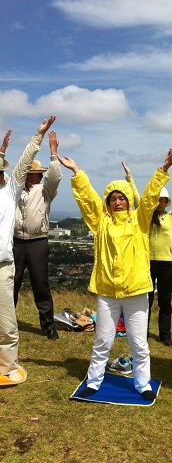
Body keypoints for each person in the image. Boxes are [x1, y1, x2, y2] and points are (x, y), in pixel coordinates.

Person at [57, 149, 172, 400]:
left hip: (136, 291)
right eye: (113, 198)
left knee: (139, 343)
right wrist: (77, 173)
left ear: (129, 200)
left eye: (122, 197)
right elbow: (88, 200)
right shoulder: (101, 222)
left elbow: (150, 198)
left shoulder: (140, 221)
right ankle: (94, 380)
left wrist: (162, 171)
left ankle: (142, 384)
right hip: (108, 292)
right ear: (108, 202)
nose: (118, 201)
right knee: (102, 341)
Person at [0, 116, 56, 385]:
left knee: (37, 289)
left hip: (20, 253)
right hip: (12, 249)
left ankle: (46, 329)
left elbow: (39, 170)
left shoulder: (28, 190)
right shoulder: (11, 191)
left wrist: (46, 145)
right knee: (8, 299)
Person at [123, 162, 172, 346]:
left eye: (163, 200)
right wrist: (129, 177)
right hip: (147, 263)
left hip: (166, 264)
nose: (160, 202)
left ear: (167, 202)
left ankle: (165, 335)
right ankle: (141, 334)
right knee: (146, 301)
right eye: (158, 199)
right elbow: (137, 198)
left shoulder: (171, 217)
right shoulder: (145, 216)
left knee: (165, 302)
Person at [13, 130, 62, 340]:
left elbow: (55, 177)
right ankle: (6, 322)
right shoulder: (14, 190)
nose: (37, 176)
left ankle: (48, 326)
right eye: (35, 173)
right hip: (15, 241)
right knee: (10, 283)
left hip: (38, 242)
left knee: (40, 284)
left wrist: (53, 153)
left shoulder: (45, 190)